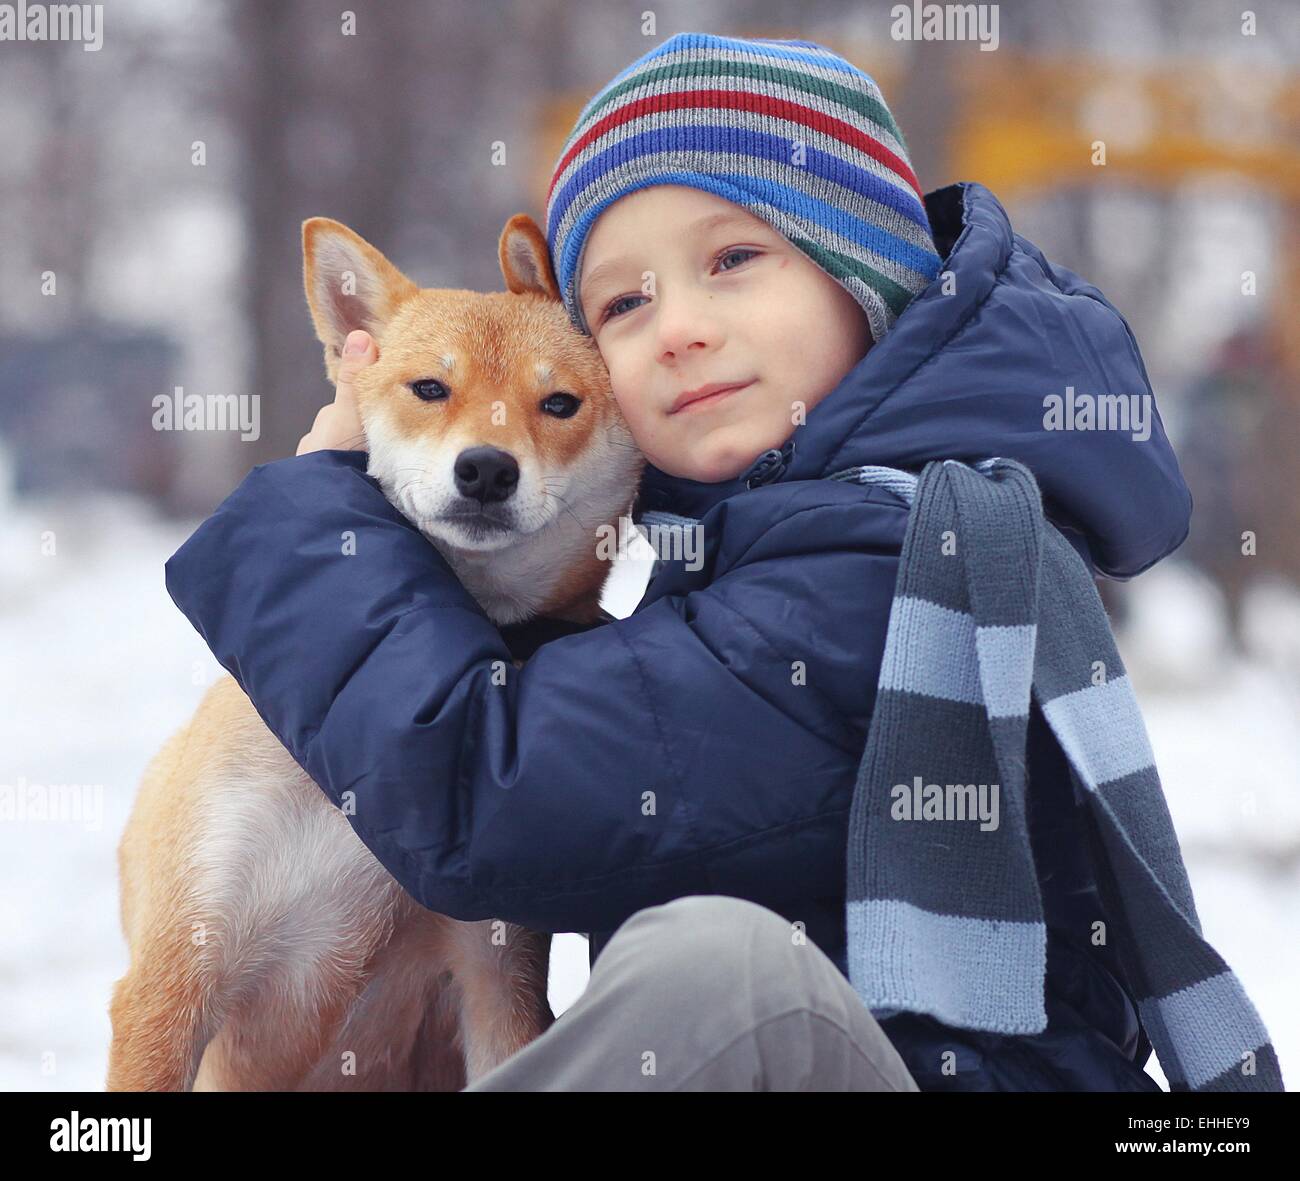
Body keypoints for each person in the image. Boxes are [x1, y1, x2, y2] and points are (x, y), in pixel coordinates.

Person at [165, 32, 1193, 1091]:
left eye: (734, 259)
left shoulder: (894, 564)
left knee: (717, 974)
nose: (680, 329)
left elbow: (486, 800)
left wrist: (327, 507)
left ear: (869, 274)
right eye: (622, 304)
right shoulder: (730, 560)